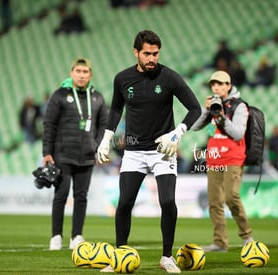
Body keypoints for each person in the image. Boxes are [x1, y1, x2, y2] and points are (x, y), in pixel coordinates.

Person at [96, 30, 202, 273]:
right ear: (136, 52)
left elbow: (195, 109)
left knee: (167, 202)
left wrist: (177, 133)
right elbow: (115, 110)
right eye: (147, 53)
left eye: (155, 53)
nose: (152, 58)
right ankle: (120, 255)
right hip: (133, 152)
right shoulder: (122, 79)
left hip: (162, 152)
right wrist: (106, 139)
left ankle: (167, 257)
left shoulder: (170, 78)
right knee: (124, 203)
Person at [42, 58, 108, 250]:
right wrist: (47, 152)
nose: (81, 75)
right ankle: (56, 237)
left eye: (85, 71)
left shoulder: (97, 98)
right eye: (78, 71)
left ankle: (76, 236)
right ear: (71, 73)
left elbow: (104, 124)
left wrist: (97, 145)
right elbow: (49, 124)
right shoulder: (60, 95)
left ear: (90, 75)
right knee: (61, 195)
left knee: (81, 196)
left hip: (87, 156)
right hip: (62, 154)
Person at [191, 70, 253, 252]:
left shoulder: (239, 106)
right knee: (214, 202)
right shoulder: (213, 104)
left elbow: (238, 133)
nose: (216, 87)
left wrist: (220, 118)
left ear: (228, 85)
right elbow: (194, 126)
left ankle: (247, 236)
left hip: (233, 158)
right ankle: (220, 242)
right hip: (214, 158)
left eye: (220, 84)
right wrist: (206, 110)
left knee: (230, 197)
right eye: (213, 84)